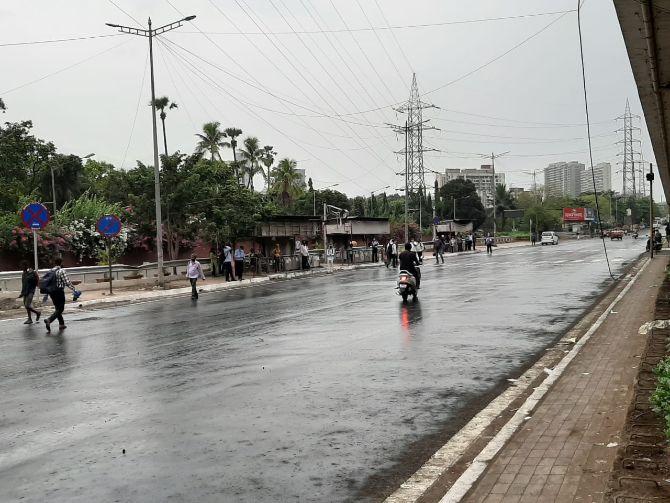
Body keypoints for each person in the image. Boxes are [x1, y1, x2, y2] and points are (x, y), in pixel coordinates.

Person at [42, 257, 76, 333]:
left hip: (51, 292)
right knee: (61, 309)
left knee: (57, 308)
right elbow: (66, 282)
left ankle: (61, 324)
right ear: (61, 263)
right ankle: (49, 320)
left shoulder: (51, 271)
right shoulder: (61, 271)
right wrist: (74, 289)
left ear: (54, 263)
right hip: (59, 291)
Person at [19, 260, 41, 324]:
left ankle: (38, 313)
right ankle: (30, 319)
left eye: (23, 266)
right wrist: (22, 293)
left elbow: (32, 280)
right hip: (25, 292)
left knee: (27, 305)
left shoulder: (31, 272)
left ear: (26, 266)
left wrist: (29, 273)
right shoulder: (23, 273)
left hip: (31, 291)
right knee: (26, 306)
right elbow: (24, 284)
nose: (22, 267)